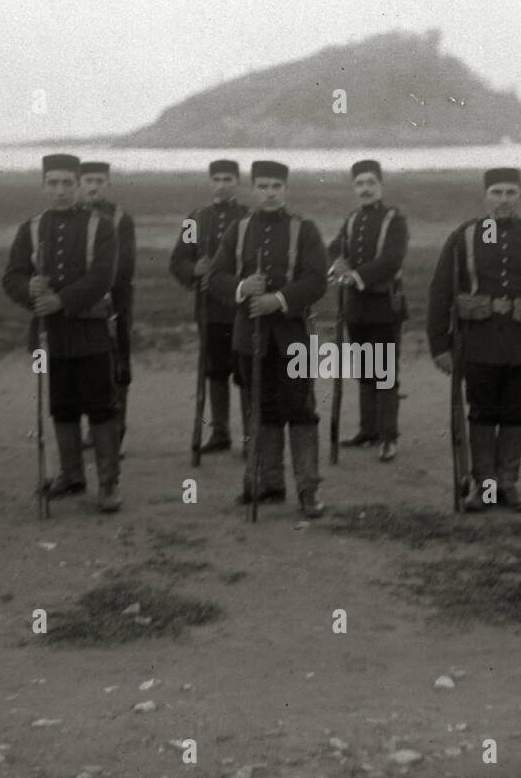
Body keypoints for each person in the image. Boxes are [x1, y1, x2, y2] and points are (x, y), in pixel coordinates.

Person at [426, 167, 521, 513]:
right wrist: (440, 346)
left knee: (517, 412)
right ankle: (484, 488)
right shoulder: (464, 237)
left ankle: (508, 483)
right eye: (497, 193)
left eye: (510, 193)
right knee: (484, 413)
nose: (503, 200)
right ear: (485, 196)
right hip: (479, 344)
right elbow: (440, 293)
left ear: (520, 196)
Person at [207, 160, 329, 517]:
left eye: (276, 186)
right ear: (252, 189)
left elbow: (317, 279)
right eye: (262, 186)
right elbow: (216, 277)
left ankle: (308, 490)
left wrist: (279, 299)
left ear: (286, 189)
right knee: (260, 412)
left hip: (293, 340)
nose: (270, 193)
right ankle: (269, 482)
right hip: (251, 340)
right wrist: (243, 287)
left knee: (302, 412)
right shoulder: (238, 230)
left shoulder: (304, 230)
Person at [2, 153, 120, 512]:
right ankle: (71, 475)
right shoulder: (32, 228)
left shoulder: (101, 227)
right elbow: (12, 276)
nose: (60, 191)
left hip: (91, 332)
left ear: (79, 185)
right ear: (43, 186)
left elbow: (102, 278)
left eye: (67, 183)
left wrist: (61, 301)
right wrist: (29, 290)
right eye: (52, 183)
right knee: (62, 407)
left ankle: (108, 485)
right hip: (50, 335)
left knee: (100, 409)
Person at [327, 159, 408, 461]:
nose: (365, 189)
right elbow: (334, 247)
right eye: (359, 184)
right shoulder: (351, 220)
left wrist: (355, 276)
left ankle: (389, 437)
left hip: (385, 305)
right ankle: (368, 431)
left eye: (370, 183)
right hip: (356, 308)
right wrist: (338, 265)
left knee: (385, 373)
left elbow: (391, 260)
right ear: (353, 188)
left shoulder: (394, 219)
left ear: (381, 185)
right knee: (364, 370)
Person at [170, 160, 250, 453]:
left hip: (242, 309)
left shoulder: (248, 218)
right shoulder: (196, 219)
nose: (221, 184)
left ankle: (250, 437)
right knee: (215, 372)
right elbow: (178, 261)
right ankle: (220, 433)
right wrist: (195, 270)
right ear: (209, 182)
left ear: (237, 182)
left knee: (245, 373)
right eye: (216, 178)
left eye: (227, 178)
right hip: (210, 310)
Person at [78, 161, 136, 457]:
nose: (93, 186)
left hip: (115, 305)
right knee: (86, 368)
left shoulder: (121, 219)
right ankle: (92, 432)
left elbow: (122, 268)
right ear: (79, 183)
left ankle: (115, 434)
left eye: (99, 180)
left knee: (117, 369)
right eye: (88, 180)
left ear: (108, 183)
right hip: (78, 307)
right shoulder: (71, 216)